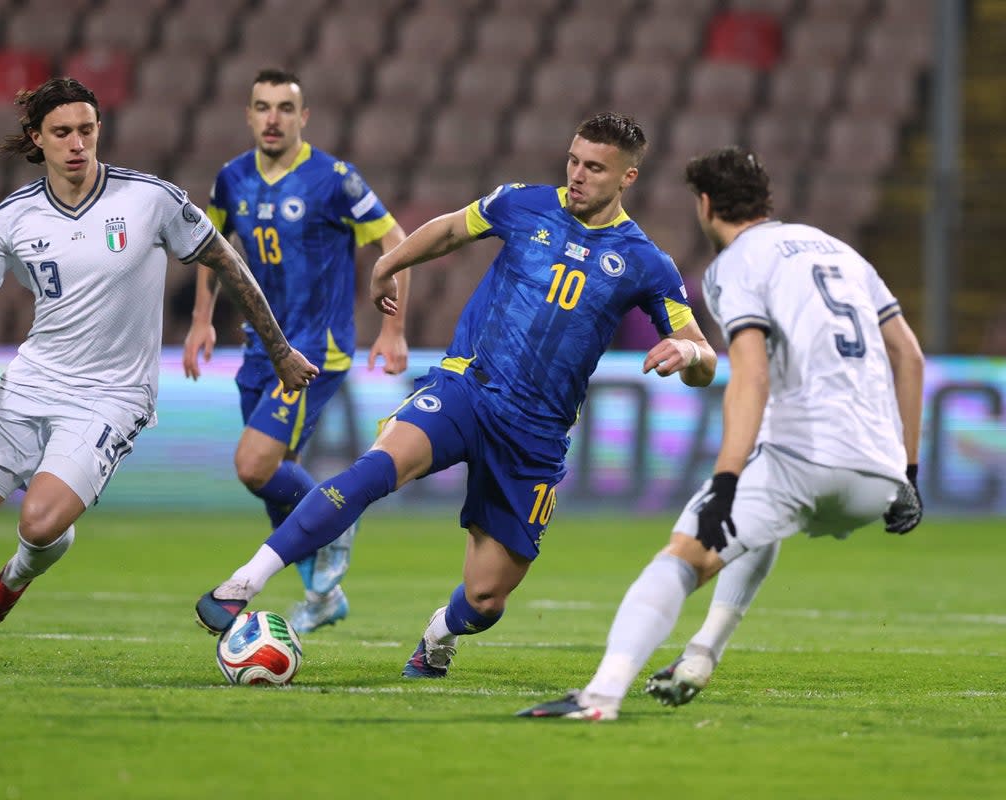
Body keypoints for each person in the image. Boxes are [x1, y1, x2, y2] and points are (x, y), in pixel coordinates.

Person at [194, 112, 718, 679]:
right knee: (373, 471)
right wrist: (389, 263)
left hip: (536, 435)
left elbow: (703, 357)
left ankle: (439, 634)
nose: (577, 175)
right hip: (468, 386)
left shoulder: (646, 263)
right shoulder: (522, 204)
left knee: (487, 599)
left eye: (595, 168)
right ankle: (242, 582)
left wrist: (688, 355)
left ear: (627, 178)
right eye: (573, 160)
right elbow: (449, 230)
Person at [0, 77, 317, 668]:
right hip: (33, 382)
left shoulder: (150, 200)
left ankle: (13, 580)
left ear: (98, 129)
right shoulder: (11, 218)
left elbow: (226, 260)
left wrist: (279, 349)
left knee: (40, 521)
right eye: (62, 132)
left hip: (113, 394)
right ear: (38, 138)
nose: (77, 143)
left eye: (87, 129)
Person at [517, 146, 924, 721]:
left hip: (804, 458)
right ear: (765, 200)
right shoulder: (842, 254)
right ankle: (702, 653)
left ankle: (600, 697)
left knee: (682, 558)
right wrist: (908, 471)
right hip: (877, 479)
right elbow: (909, 356)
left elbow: (750, 376)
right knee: (763, 523)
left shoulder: (734, 265)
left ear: (705, 205)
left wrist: (726, 480)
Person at [181, 68, 409, 634]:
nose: (273, 118)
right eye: (262, 107)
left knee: (253, 465)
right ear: (249, 114)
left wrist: (392, 328)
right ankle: (322, 593)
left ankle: (340, 514)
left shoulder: (334, 180)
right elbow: (210, 249)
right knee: (279, 476)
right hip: (259, 346)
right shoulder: (231, 179)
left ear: (303, 117)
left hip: (315, 349)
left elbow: (394, 238)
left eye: (285, 108)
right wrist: (201, 321)